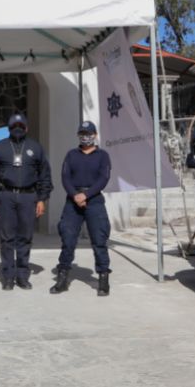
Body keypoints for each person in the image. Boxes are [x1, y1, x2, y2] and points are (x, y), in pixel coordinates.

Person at [0, 112, 52, 290]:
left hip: (29, 197)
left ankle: (22, 275)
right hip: (5, 196)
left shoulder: (35, 148)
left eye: (21, 126)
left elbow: (45, 175)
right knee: (6, 238)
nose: (18, 129)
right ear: (9, 128)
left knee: (25, 237)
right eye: (14, 126)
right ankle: (7, 276)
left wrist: (42, 199)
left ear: (26, 128)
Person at [51, 121, 112, 296]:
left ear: (95, 135)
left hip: (94, 200)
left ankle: (103, 280)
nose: (86, 137)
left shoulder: (103, 156)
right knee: (68, 240)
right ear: (78, 135)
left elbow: (103, 178)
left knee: (99, 240)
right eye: (82, 133)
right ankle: (62, 279)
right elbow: (65, 177)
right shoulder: (71, 155)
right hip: (73, 200)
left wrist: (86, 195)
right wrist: (75, 195)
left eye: (89, 133)